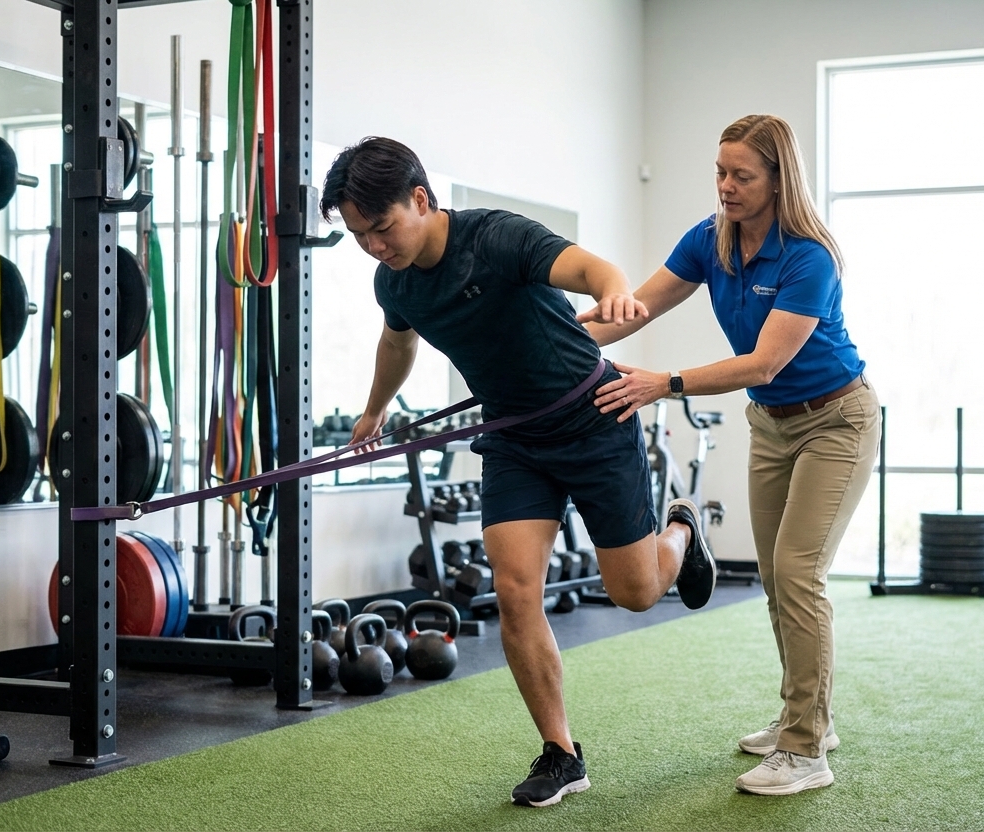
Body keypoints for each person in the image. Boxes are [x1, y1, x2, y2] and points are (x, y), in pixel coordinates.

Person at [320, 136, 717, 808]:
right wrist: (373, 411)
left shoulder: (496, 239)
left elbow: (593, 269)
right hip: (514, 439)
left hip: (594, 419)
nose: (375, 246)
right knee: (514, 587)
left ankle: (681, 529)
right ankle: (562, 752)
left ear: (420, 199)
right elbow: (397, 339)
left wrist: (616, 294)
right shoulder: (393, 281)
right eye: (360, 236)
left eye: (381, 228)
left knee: (638, 592)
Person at [581, 114, 880, 796]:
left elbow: (767, 362)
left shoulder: (809, 256)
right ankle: (806, 716)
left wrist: (665, 383)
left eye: (742, 176)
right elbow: (638, 308)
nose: (726, 186)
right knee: (778, 579)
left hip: (836, 420)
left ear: (779, 179)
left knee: (797, 572)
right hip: (772, 426)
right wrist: (558, 334)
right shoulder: (709, 240)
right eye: (720, 172)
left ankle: (806, 752)